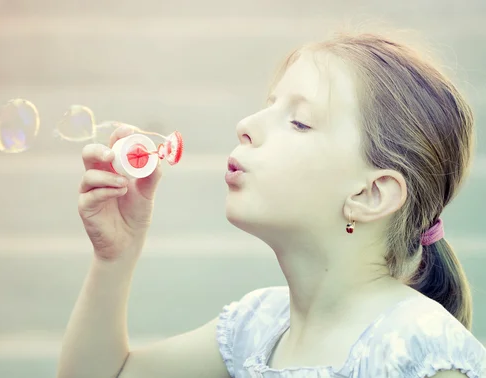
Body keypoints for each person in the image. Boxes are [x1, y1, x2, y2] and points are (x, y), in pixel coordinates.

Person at [56, 31, 486, 378]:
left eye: (299, 121)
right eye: (269, 106)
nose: (245, 126)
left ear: (369, 194)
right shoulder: (258, 325)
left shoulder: (418, 348)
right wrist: (116, 255)